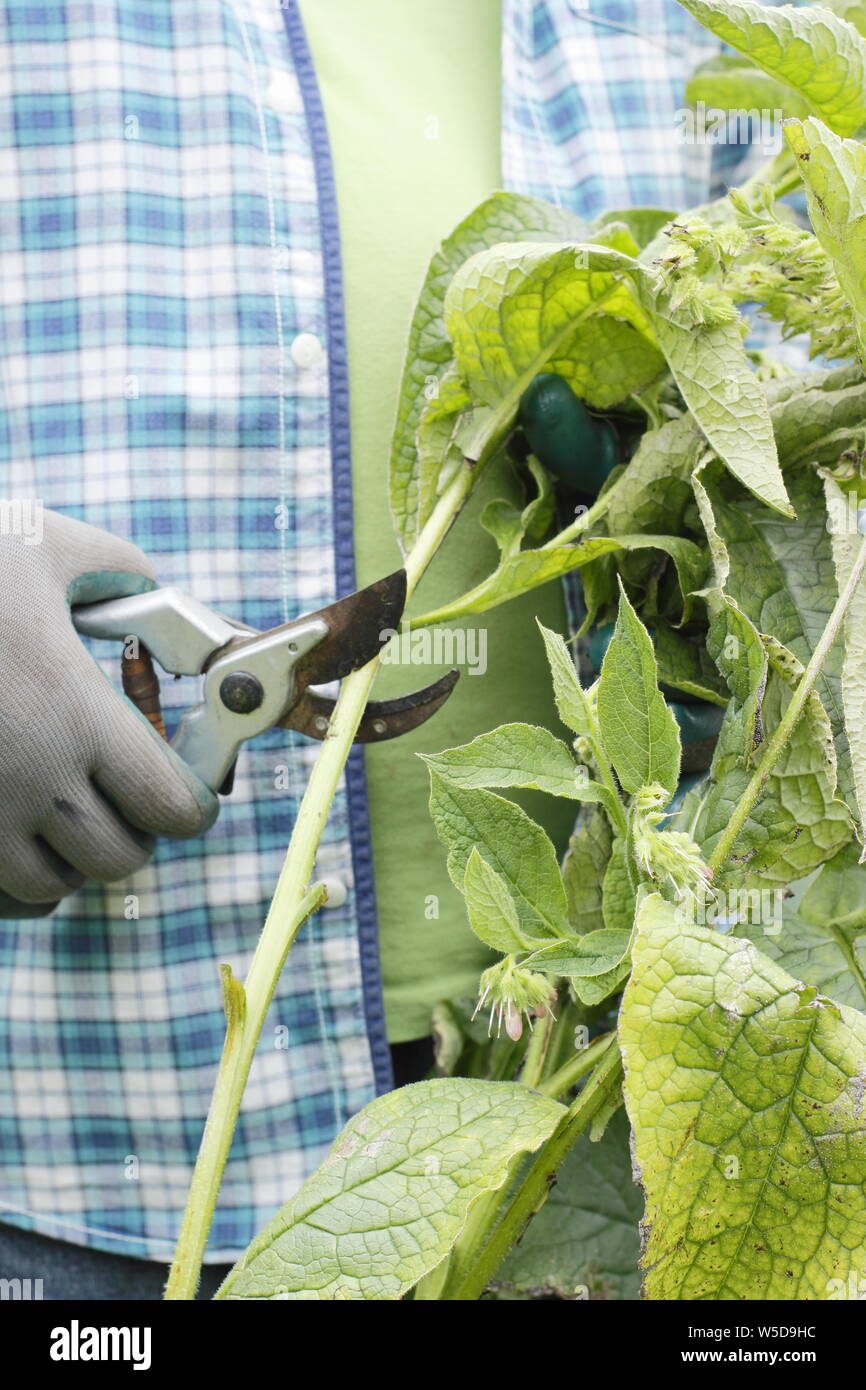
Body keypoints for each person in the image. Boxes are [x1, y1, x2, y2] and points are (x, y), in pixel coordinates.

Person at [0, 0, 764, 1299]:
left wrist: (726, 549)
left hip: (586, 1143)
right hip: (84, 1170)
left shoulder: (710, 27)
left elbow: (810, 385)